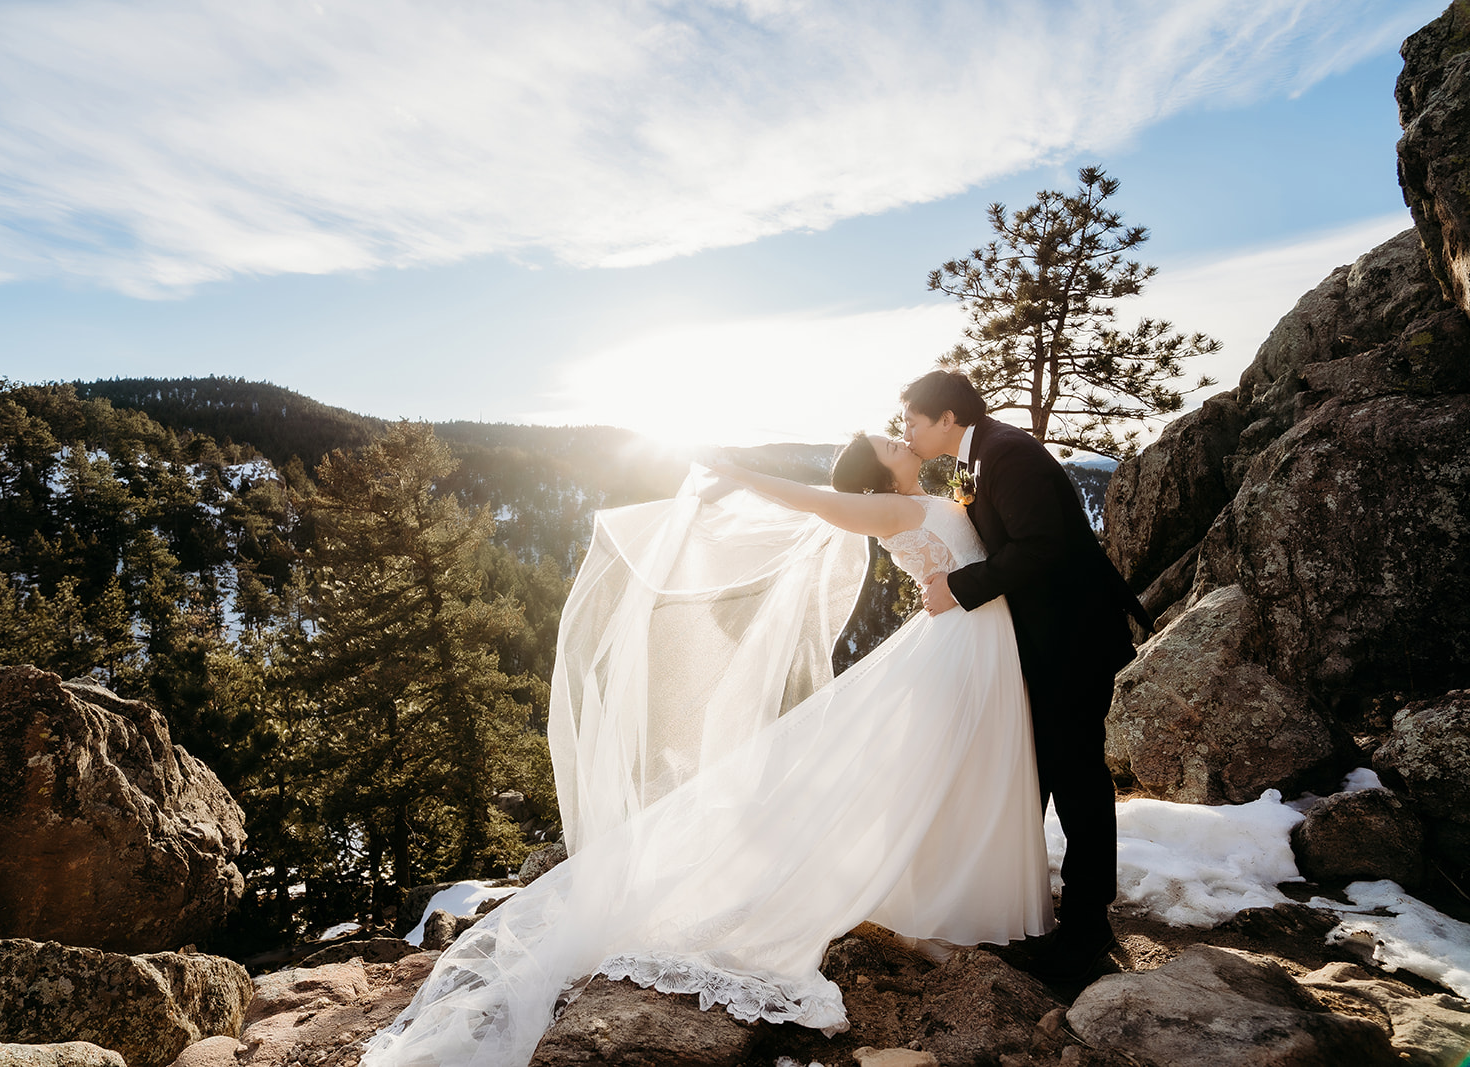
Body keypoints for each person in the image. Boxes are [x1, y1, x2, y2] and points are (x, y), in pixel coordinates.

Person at [362, 434, 1052, 1067]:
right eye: (887, 440)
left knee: (954, 768)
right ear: (877, 475)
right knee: (934, 768)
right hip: (957, 647)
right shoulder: (888, 510)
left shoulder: (921, 497)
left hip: (969, 641)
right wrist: (741, 473)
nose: (900, 438)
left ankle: (956, 888)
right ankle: (953, 899)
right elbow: (815, 499)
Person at [898, 370, 1151, 984]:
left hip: (1074, 639)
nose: (904, 429)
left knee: (1077, 775)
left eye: (911, 419)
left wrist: (957, 589)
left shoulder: (1007, 453)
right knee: (1032, 770)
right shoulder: (973, 457)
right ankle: (1017, 908)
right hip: (1038, 641)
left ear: (947, 419)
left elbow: (1043, 546)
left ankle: (1088, 926)